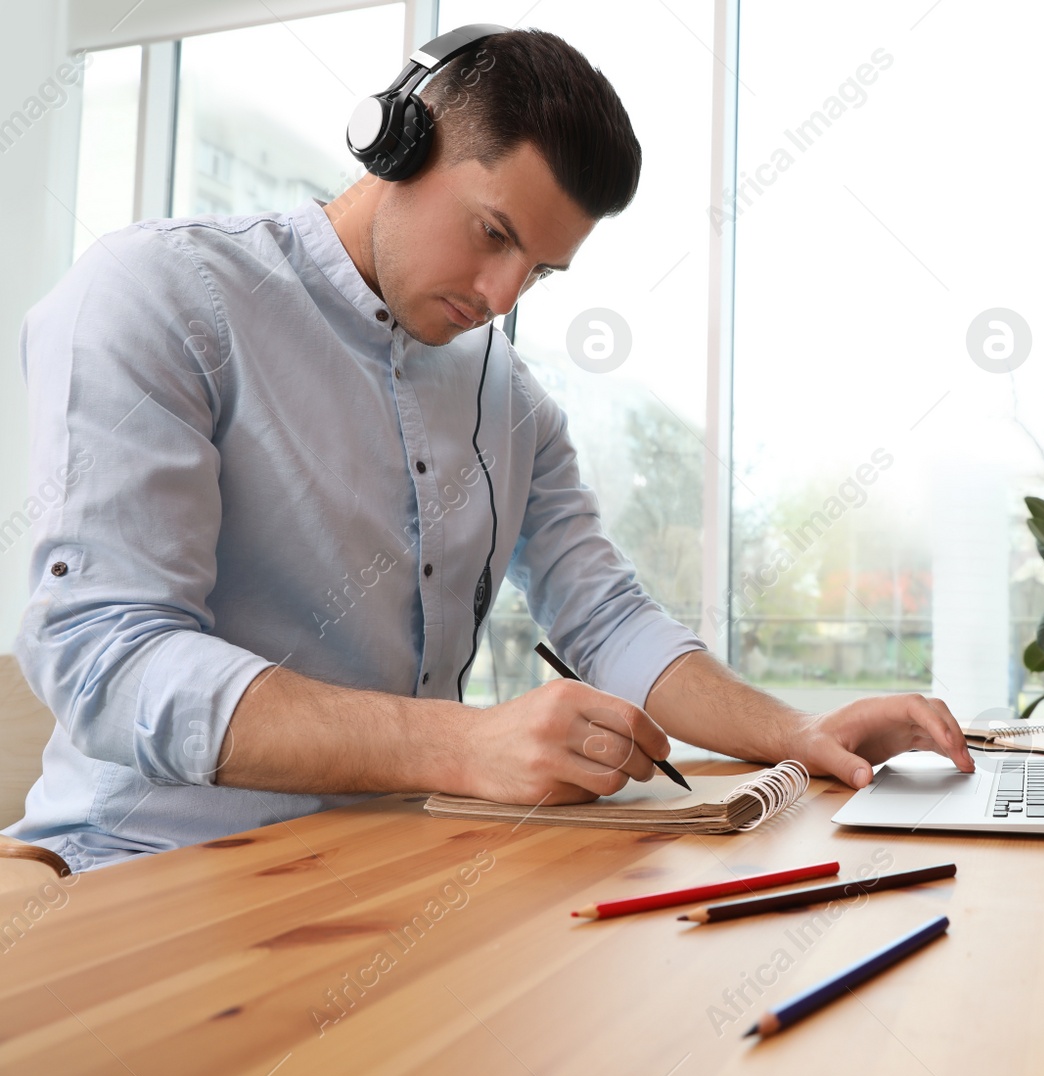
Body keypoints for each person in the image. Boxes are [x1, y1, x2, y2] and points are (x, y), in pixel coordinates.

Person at [4, 28, 972, 872]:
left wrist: (794, 732)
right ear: (396, 146)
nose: (502, 296)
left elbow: (604, 616)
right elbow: (105, 655)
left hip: (387, 865)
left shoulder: (509, 401)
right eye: (491, 234)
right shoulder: (160, 293)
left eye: (538, 270)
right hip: (147, 868)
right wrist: (463, 744)